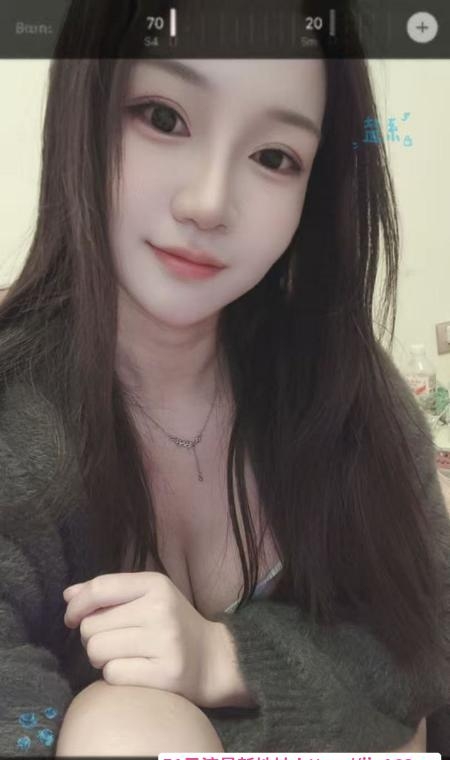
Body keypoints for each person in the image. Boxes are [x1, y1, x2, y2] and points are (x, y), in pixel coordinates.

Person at [0, 0, 449, 756]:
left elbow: (425, 639)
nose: (208, 204)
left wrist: (227, 660)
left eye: (274, 157)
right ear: (86, 110)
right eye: (163, 117)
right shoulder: (17, 420)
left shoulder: (343, 383)